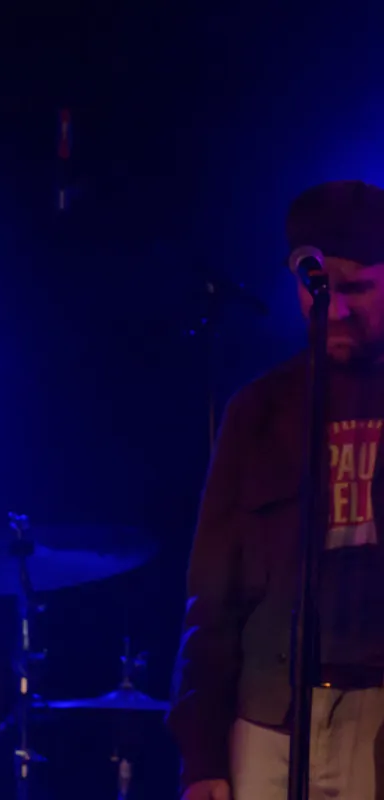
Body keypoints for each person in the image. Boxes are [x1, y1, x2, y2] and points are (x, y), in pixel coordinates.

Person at [168, 179, 384, 799]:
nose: (334, 309)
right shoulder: (258, 412)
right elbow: (211, 597)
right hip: (267, 719)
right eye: (317, 289)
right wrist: (202, 755)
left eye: (360, 290)